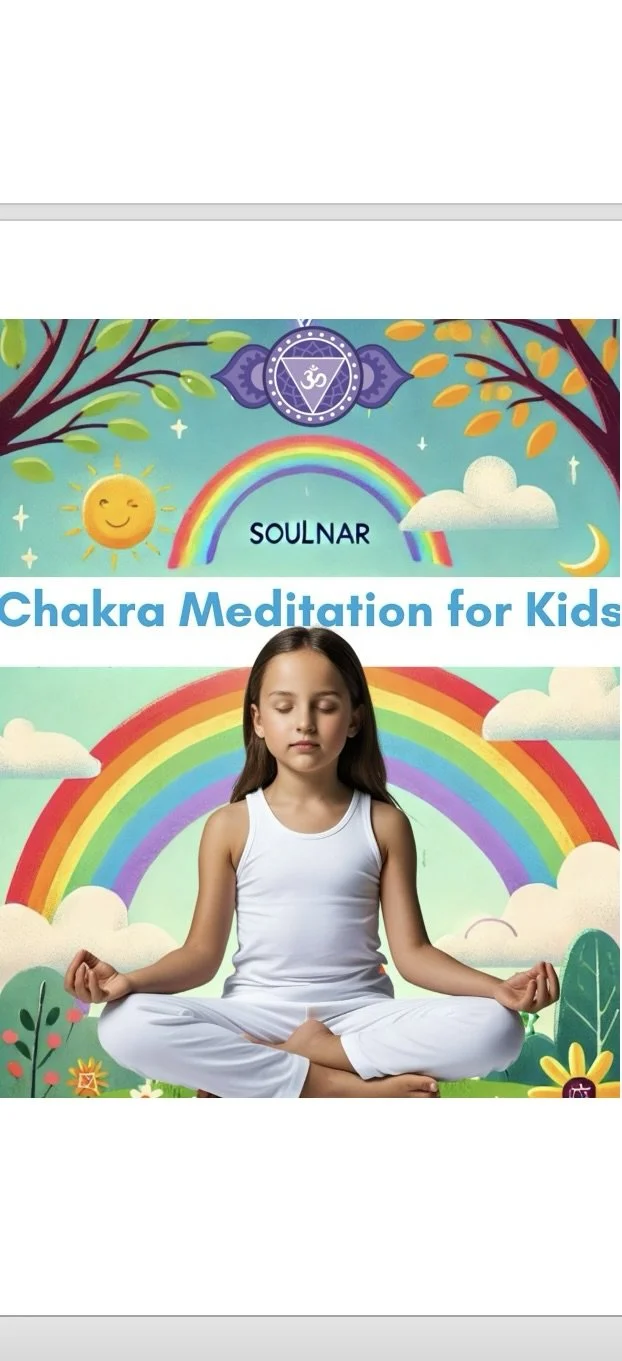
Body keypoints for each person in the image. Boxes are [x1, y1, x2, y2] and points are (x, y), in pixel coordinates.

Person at [65, 627, 559, 1098]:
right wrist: (130, 982)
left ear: (354, 719)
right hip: (254, 1015)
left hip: (360, 1016)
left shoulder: (383, 823)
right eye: (284, 707)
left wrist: (499, 989)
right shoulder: (230, 825)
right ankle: (337, 1085)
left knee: (496, 1027)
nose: (304, 722)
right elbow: (200, 956)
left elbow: (413, 955)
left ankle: (297, 1062)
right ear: (258, 720)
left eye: (325, 706)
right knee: (125, 1023)